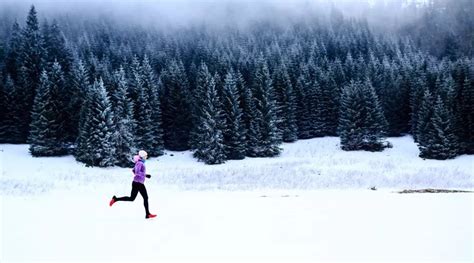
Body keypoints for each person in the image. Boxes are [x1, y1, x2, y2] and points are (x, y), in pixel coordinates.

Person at [109, 150, 157, 219]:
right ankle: (115, 199)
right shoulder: (140, 163)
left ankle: (147, 214)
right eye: (146, 156)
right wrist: (145, 175)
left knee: (145, 198)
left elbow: (133, 170)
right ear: (143, 156)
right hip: (137, 183)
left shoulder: (139, 163)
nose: (146, 157)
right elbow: (137, 172)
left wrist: (142, 176)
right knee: (132, 198)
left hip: (139, 183)